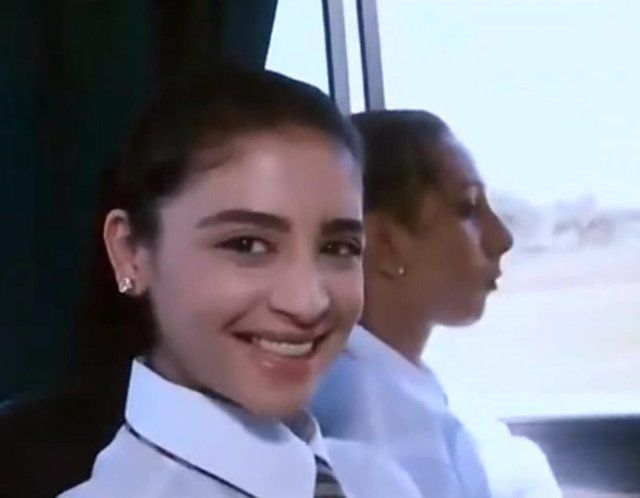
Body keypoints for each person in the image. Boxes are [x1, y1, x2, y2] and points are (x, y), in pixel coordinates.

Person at [1, 68, 420, 498]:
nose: (307, 302)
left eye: (338, 248)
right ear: (130, 251)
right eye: (247, 244)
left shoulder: (380, 482)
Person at [311, 109, 562, 498]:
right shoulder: (383, 435)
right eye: (467, 209)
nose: (502, 238)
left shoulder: (395, 387)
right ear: (385, 245)